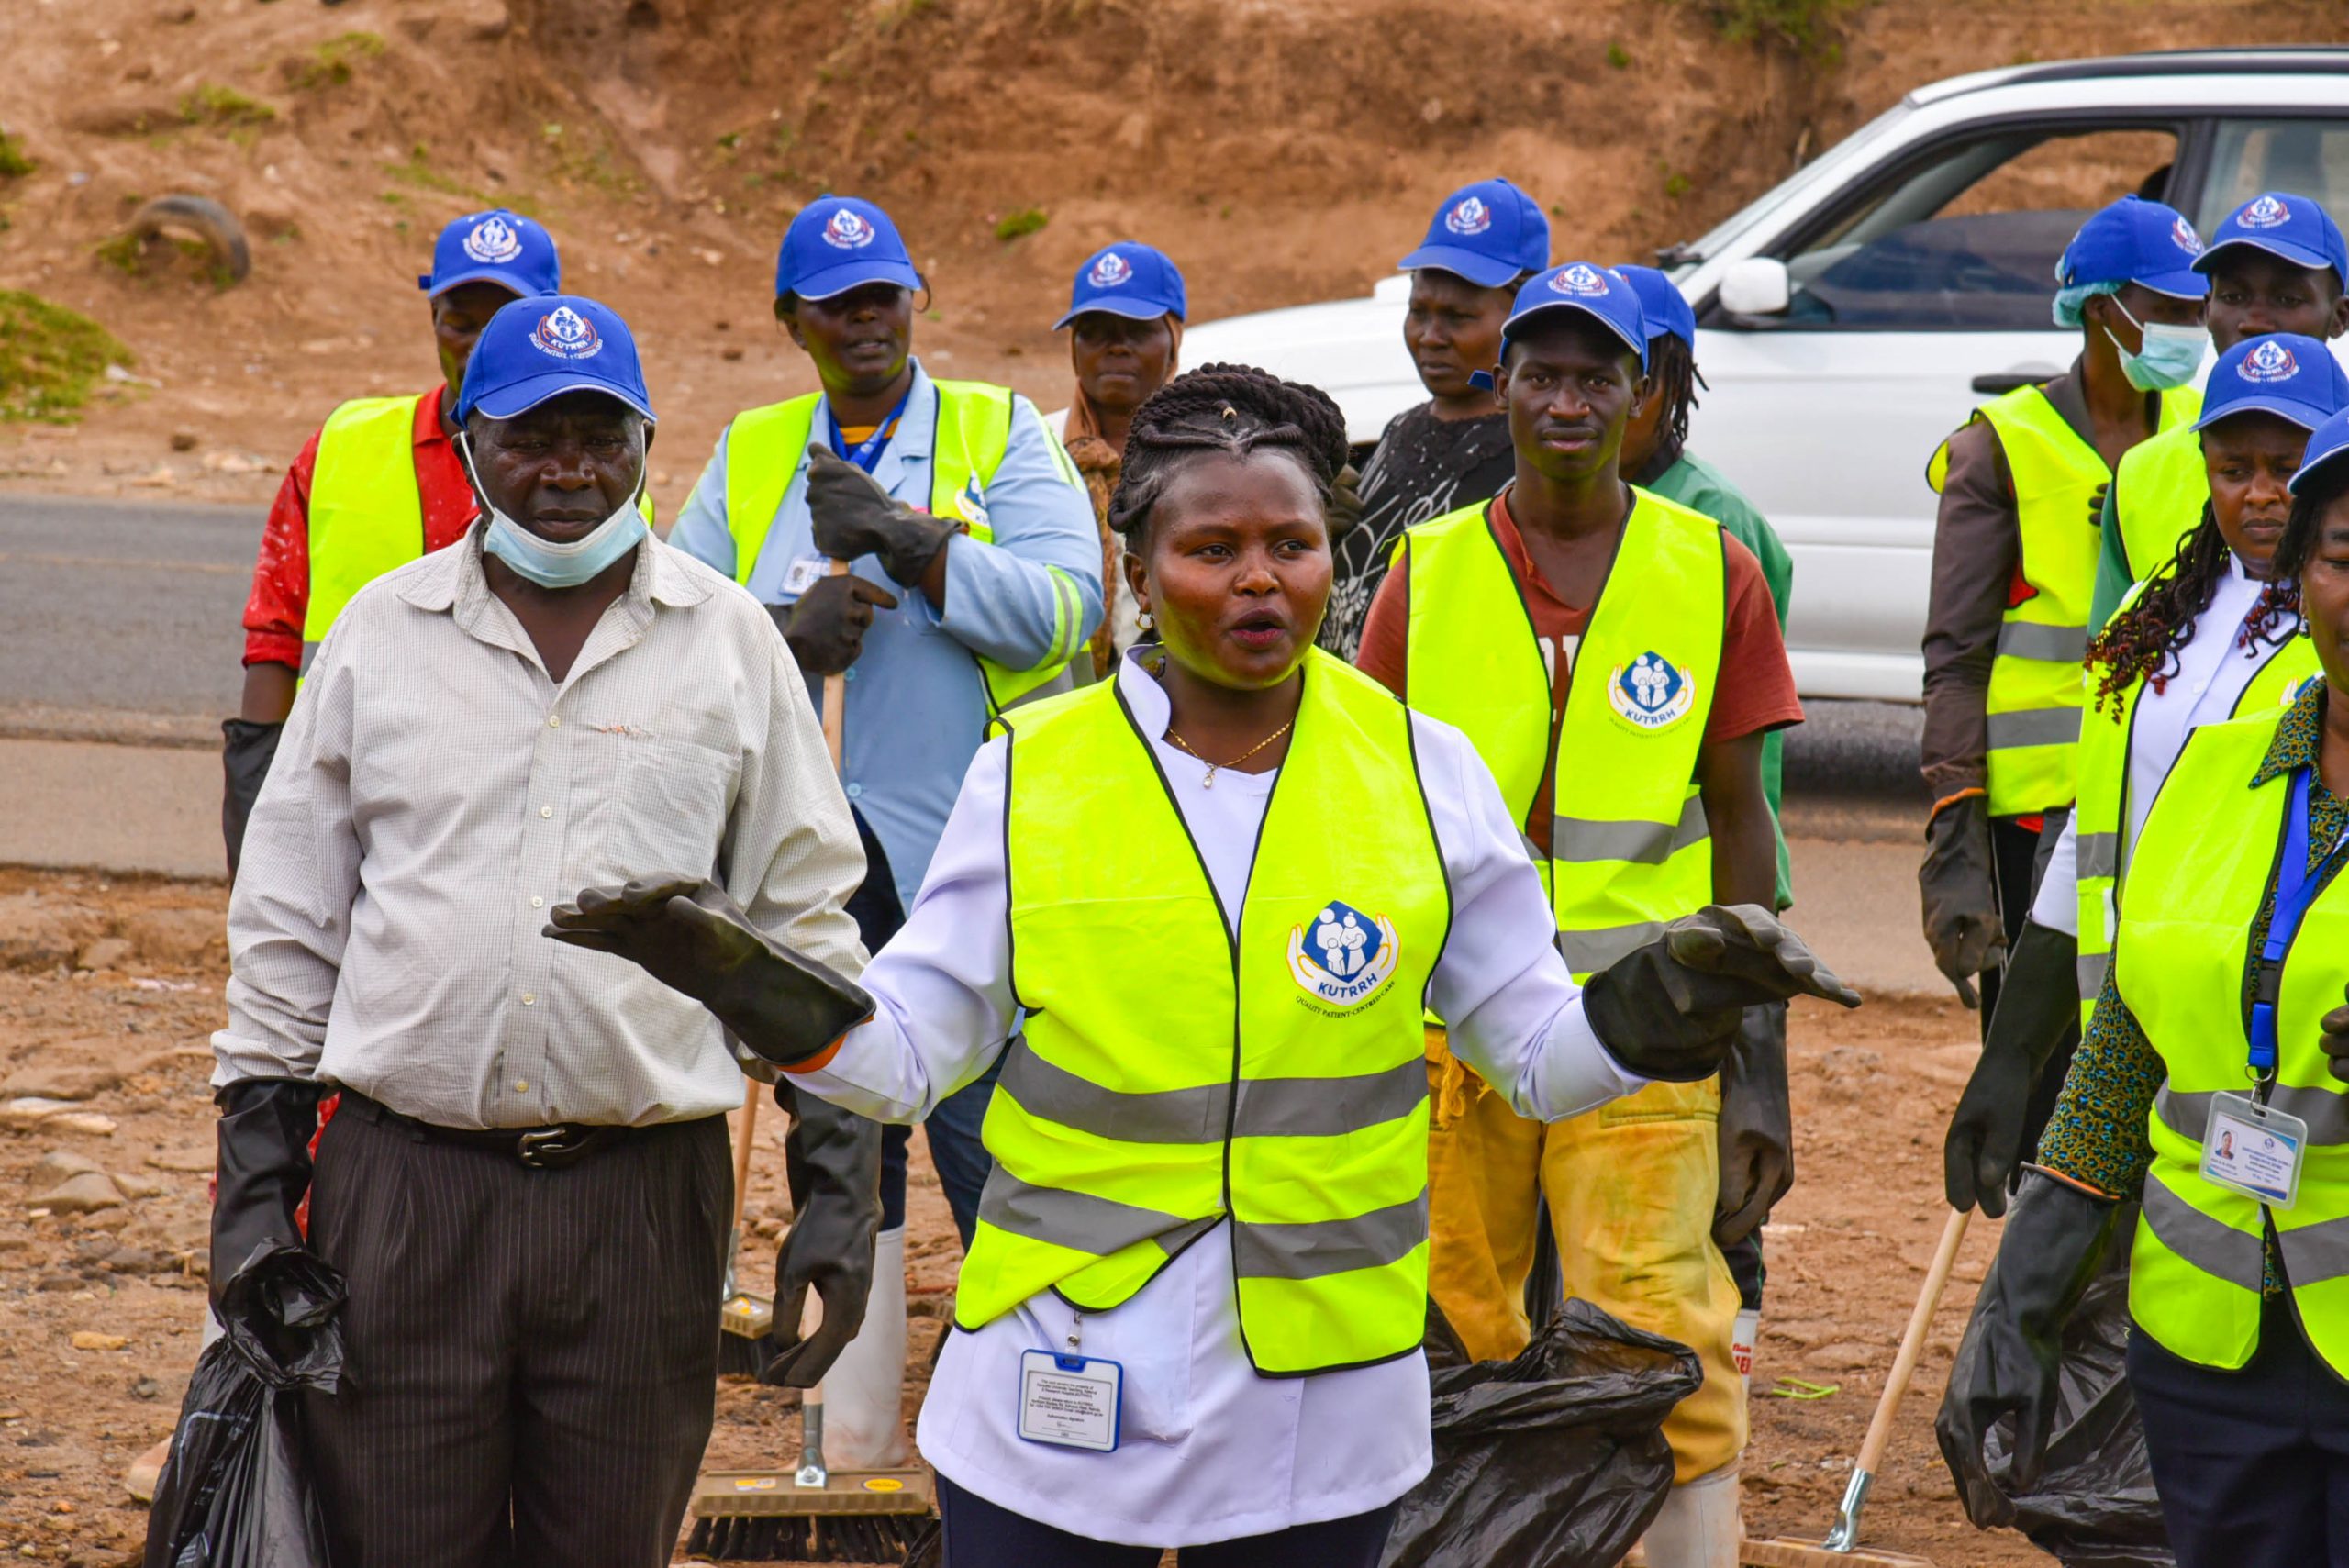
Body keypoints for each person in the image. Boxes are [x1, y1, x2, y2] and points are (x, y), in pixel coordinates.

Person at [550, 364, 1858, 1565]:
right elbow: (902, 1056)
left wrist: (1652, 1002)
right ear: (1138, 569)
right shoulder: (1035, 776)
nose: (1256, 581)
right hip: (1064, 1372)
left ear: (1332, 558)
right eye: (1211, 547)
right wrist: (741, 972)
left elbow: (1533, 1053)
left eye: (1290, 545)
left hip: (1322, 1396)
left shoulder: (1420, 770)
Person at [205, 295, 877, 1568]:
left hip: (640, 1202)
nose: (568, 467)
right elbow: (291, 929)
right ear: (469, 445)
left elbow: (802, 923)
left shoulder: (731, 644)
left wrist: (835, 1186)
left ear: (647, 444)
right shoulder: (378, 639)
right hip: (408, 1197)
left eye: (599, 433)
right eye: (530, 436)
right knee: (399, 1541)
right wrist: (252, 1194)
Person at [1355, 263, 1806, 1565]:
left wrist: (1757, 1065)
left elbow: (1743, 821)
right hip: (1452, 1025)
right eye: (1540, 373)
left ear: (1641, 393)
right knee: (1450, 1320)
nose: (1566, 399)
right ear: (1501, 390)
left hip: (1649, 1022)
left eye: (1595, 376)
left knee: (1657, 1320)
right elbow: (1369, 802)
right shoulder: (1426, 572)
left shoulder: (1709, 568)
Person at [668, 193, 1101, 1464]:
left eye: (885, 296)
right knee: (838, 1132)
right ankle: (850, 1433)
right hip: (809, 861)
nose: (866, 321)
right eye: (837, 302)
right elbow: (680, 623)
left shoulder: (1000, 429)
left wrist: (914, 547)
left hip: (972, 857)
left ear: (919, 300)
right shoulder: (752, 454)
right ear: (791, 318)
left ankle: (1056, 1410)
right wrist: (781, 630)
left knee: (997, 1134)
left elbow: (1065, 612)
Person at [1943, 404, 2349, 1568]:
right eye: (2344, 556)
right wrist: (2015, 1305)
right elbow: (2127, 1047)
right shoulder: (2216, 769)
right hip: (2207, 1362)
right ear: (2302, 572)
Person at [1943, 332, 2344, 1215]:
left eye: (2288, 465)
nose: (2263, 494)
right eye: (2234, 466)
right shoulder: (2146, 623)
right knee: (2075, 1307)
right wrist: (2012, 1056)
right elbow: (2090, 847)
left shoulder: (2336, 644)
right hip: (2117, 1037)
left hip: (2260, 1050)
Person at [1920, 195, 2209, 1055]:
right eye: (2168, 311)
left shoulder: (2211, 433)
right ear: (2100, 309)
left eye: (2198, 310)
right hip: (2039, 819)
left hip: (2174, 789)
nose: (2190, 329)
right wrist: (1954, 832)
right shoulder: (2001, 448)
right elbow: (1957, 659)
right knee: (2040, 1061)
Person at [222, 207, 561, 876]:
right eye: (461, 321)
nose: (478, 344)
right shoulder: (346, 446)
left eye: (504, 322)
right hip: (352, 788)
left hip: (517, 804)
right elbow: (276, 633)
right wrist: (255, 782)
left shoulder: (590, 474)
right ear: (433, 320)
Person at [1617, 260, 1801, 1389]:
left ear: (1668, 381)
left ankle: (1720, 1362)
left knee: (1725, 1168)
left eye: (1622, 376)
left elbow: (1748, 770)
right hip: (1593, 935)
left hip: (1702, 909)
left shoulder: (1713, 522)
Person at [2091, 193, 2349, 628]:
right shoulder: (2139, 474)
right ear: (2207, 308)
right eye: (2233, 295)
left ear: (2340, 316)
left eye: (2288, 299)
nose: (2255, 320)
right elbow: (2112, 654)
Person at [1318, 177, 1546, 662]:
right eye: (1418, 311)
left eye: (1459, 318)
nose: (1430, 336)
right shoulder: (1403, 429)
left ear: (1523, 317)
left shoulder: (1532, 454)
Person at [1048, 240, 1186, 671]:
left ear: (1173, 341)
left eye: (1137, 329)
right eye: (1096, 330)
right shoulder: (1036, 448)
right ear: (1074, 347)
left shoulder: (1209, 456)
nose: (1116, 346)